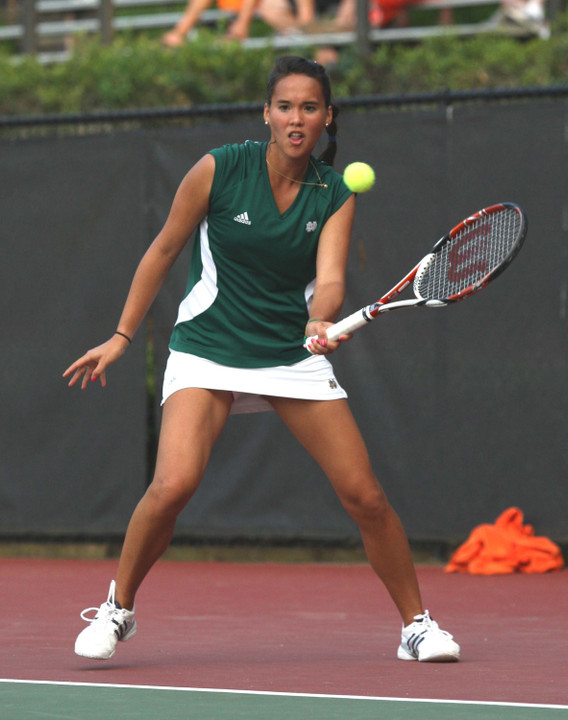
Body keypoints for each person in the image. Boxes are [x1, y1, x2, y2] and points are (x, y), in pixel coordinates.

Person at [63, 55, 460, 664]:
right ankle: (118, 607)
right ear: (266, 113)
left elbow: (328, 279)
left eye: (309, 107)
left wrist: (320, 318)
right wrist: (122, 335)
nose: (295, 118)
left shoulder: (334, 193)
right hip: (208, 346)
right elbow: (164, 248)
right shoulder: (219, 169)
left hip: (287, 353)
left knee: (366, 496)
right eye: (284, 106)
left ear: (328, 117)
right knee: (173, 485)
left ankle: (417, 626)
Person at [161, 0, 315, 46]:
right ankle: (180, 33)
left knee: (273, 7)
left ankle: (308, 40)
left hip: (275, 12)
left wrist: (242, 24)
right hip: (236, 13)